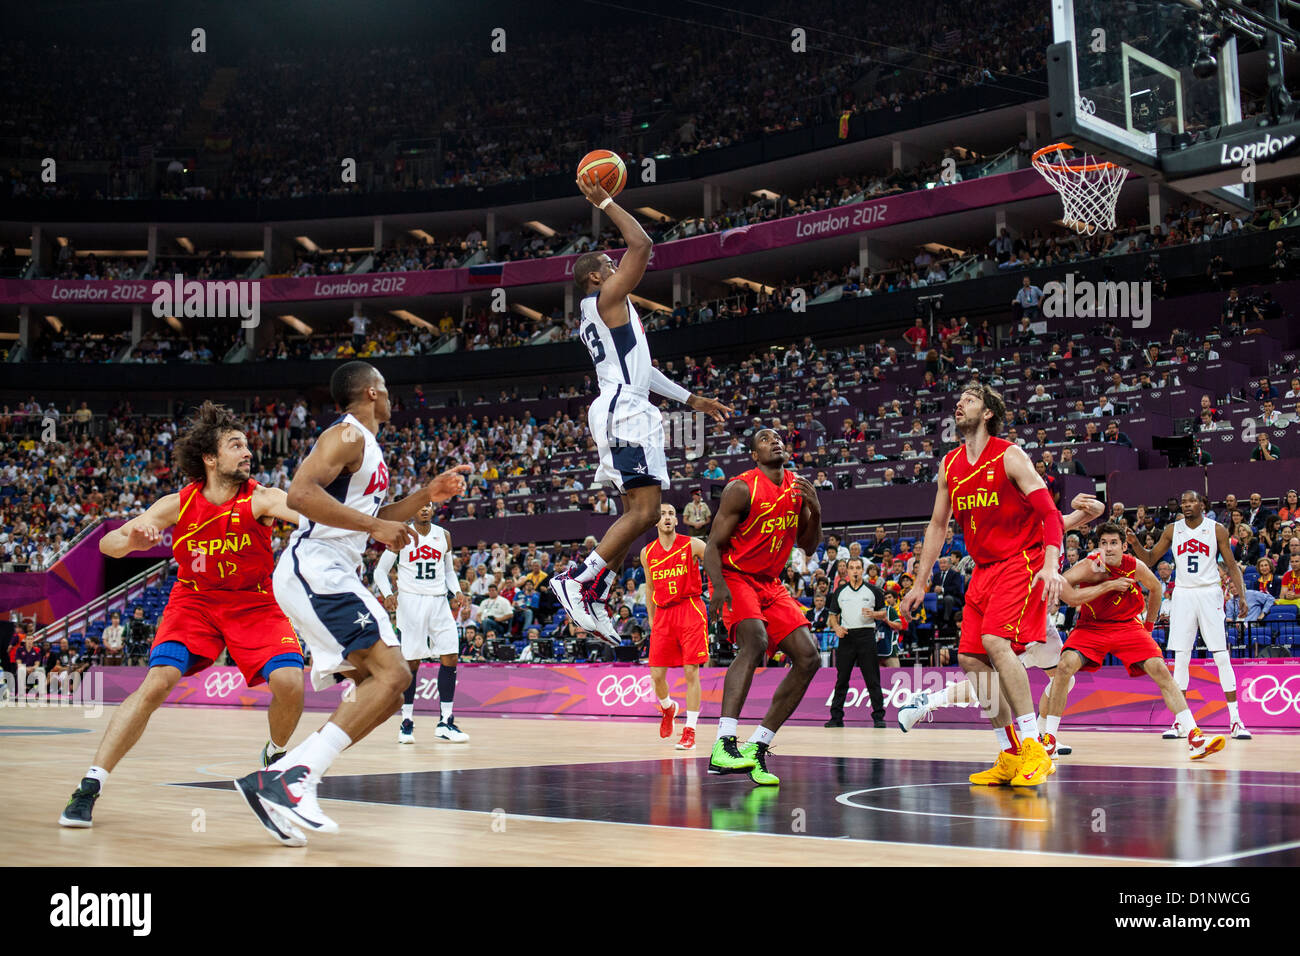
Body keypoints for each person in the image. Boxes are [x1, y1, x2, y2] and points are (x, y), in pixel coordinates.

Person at [234, 361, 469, 842]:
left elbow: (374, 514)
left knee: (380, 694)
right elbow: (300, 495)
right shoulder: (346, 436)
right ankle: (295, 780)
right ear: (369, 392)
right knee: (396, 674)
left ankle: (280, 779)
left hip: (335, 570)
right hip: (316, 566)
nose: (390, 396)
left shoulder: (369, 445)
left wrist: (428, 493)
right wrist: (374, 528)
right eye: (385, 388)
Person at [59, 402, 307, 839]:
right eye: (235, 445)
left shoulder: (263, 497)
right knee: (157, 681)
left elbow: (310, 514)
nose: (247, 452)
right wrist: (131, 539)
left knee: (290, 683)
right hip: (194, 603)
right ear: (210, 459)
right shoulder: (178, 503)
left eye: (247, 444)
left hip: (253, 604)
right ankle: (90, 784)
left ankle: (274, 757)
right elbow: (108, 546)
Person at [549, 173, 731, 644]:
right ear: (595, 275)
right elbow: (643, 244)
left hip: (625, 404)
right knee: (648, 510)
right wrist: (606, 200)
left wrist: (691, 399)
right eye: (609, 263)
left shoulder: (612, 313)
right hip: (624, 410)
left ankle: (594, 589)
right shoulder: (606, 298)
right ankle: (577, 580)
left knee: (639, 513)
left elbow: (644, 372)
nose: (616, 266)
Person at [901, 381, 1062, 787]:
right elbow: (938, 526)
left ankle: (1034, 747)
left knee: (995, 642)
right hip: (983, 571)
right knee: (971, 660)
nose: (959, 403)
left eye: (969, 400)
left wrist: (1050, 563)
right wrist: (920, 581)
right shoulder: (949, 464)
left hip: (1020, 561)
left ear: (988, 412)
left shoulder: (1010, 455)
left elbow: (1049, 512)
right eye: (959, 399)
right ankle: (1009, 753)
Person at [899, 493, 1107, 757]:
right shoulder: (1026, 528)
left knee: (1063, 678)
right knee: (996, 683)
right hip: (1016, 615)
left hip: (1039, 620)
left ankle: (1043, 737)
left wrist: (1088, 505)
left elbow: (1092, 512)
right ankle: (929, 702)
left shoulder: (1052, 523)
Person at [1046, 524, 1226, 760]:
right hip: (1091, 627)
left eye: (1113, 543)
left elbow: (1155, 589)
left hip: (1128, 626)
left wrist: (1148, 626)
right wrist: (1104, 585)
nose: (1108, 548)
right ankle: (1048, 740)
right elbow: (1061, 584)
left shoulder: (1135, 566)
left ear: (1124, 546)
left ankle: (1194, 736)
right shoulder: (1089, 566)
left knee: (1161, 670)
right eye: (1104, 543)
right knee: (1064, 667)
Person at [705, 429, 821, 785]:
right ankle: (724, 743)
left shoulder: (798, 487)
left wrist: (815, 509)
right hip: (736, 575)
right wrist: (719, 588)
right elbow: (712, 546)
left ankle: (757, 746)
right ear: (754, 455)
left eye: (778, 437)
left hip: (770, 583)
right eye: (765, 439)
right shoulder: (741, 488)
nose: (775, 441)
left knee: (809, 657)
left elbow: (809, 546)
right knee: (753, 641)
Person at [1127, 491, 1252, 740]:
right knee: (1181, 658)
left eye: (1191, 501)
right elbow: (1151, 558)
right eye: (1183, 502)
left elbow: (1231, 564)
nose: (1186, 505)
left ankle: (1236, 720)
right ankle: (1181, 721)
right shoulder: (1173, 530)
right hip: (1182, 594)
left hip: (1209, 593)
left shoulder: (1216, 530)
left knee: (1221, 656)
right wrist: (1135, 544)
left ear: (1202, 505)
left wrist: (1243, 596)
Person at [374, 500, 468, 745]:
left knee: (450, 656)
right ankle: (407, 721)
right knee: (412, 663)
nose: (424, 509)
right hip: (411, 601)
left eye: (428, 505)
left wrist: (456, 591)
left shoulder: (444, 535)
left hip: (438, 601)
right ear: (413, 510)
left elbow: (448, 571)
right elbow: (379, 572)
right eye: (420, 506)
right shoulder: (401, 534)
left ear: (433, 509)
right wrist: (388, 594)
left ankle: (445, 722)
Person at [640, 503, 709, 751]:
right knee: (656, 675)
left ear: (677, 520)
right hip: (663, 614)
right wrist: (651, 617)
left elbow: (717, 564)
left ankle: (689, 730)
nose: (667, 517)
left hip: (690, 608)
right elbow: (649, 587)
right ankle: (668, 707)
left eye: (671, 514)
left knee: (691, 671)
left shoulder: (693, 544)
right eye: (662, 515)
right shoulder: (646, 552)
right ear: (655, 522)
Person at [824, 557, 888, 728]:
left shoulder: (873, 590)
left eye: (858, 567)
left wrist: (873, 614)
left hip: (866, 635)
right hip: (847, 637)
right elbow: (832, 615)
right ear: (847, 571)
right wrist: (836, 627)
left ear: (862, 570)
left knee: (872, 678)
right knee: (842, 679)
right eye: (851, 568)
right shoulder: (840, 591)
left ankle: (878, 716)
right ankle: (836, 717)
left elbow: (884, 614)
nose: (855, 571)